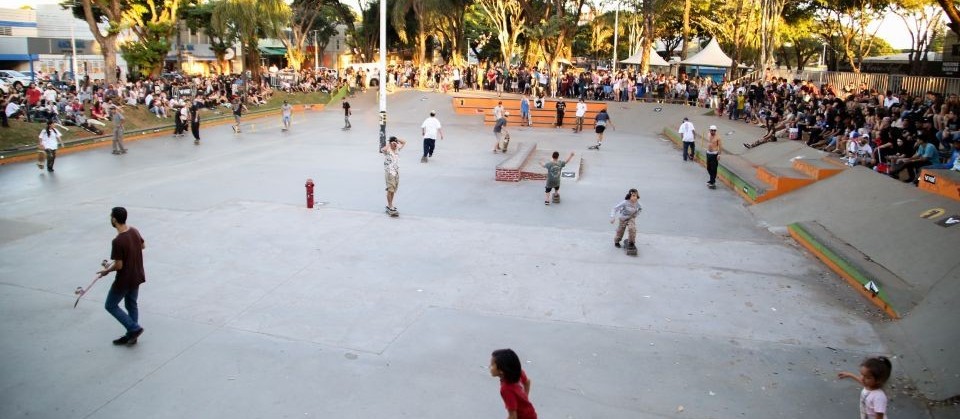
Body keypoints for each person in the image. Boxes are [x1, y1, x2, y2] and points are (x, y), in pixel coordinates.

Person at [96, 207, 146, 346]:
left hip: (124, 280)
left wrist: (106, 271)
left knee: (110, 305)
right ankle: (132, 335)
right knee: (131, 304)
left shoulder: (118, 241)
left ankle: (134, 328)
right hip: (136, 276)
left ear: (114, 219)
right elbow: (143, 246)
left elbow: (119, 266)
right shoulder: (134, 231)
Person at [489, 349, 537, 419]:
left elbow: (513, 416)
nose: (490, 366)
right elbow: (527, 382)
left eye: (492, 365)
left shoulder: (506, 389)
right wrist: (524, 400)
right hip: (531, 413)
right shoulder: (517, 372)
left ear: (501, 371)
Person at [381, 136, 406, 215]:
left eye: (396, 144)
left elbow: (404, 142)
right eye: (393, 144)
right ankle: (390, 205)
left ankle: (390, 205)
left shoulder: (397, 148)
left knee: (393, 190)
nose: (395, 145)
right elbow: (383, 149)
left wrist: (396, 140)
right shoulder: (387, 150)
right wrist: (390, 143)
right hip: (389, 172)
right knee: (390, 190)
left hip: (396, 172)